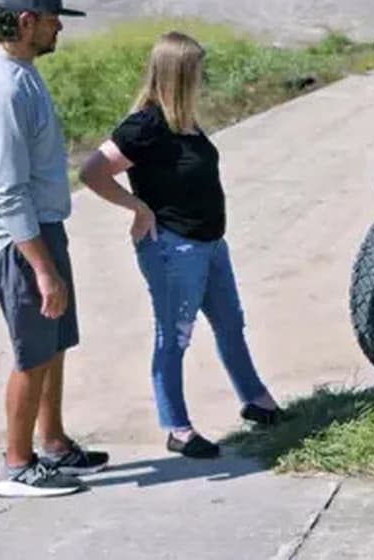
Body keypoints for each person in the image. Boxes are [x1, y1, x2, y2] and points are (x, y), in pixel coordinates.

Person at [78, 31, 283, 460]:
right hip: (173, 248)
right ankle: (177, 426)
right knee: (173, 336)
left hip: (210, 244)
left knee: (231, 323)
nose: (203, 77)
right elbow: (93, 171)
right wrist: (137, 208)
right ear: (178, 73)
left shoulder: (185, 121)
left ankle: (255, 399)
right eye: (197, 69)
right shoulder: (145, 125)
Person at [0, 0, 109, 498]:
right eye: (52, 20)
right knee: (32, 353)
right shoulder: (3, 90)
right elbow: (6, 192)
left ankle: (52, 443)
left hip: (42, 228)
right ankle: (18, 464)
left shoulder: (17, 64)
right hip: (18, 240)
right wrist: (42, 267)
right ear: (26, 21)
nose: (59, 29)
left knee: (54, 344)